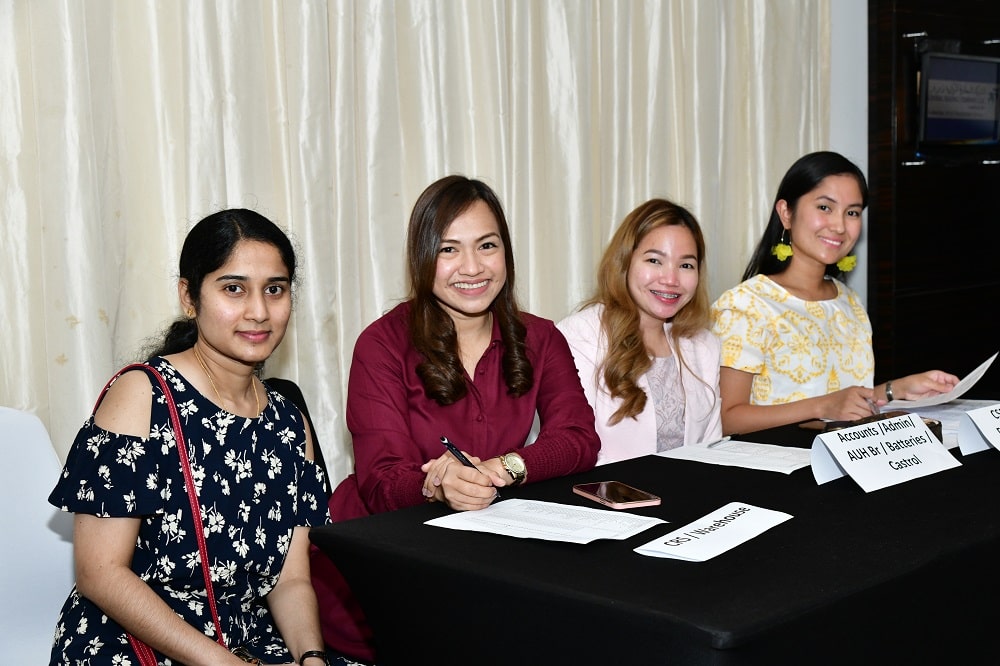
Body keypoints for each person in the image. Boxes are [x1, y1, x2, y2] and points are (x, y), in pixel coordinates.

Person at [311, 175, 601, 662]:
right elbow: (380, 480)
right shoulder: (381, 344)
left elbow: (578, 439)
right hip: (379, 566)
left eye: (487, 246)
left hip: (485, 555)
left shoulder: (541, 337)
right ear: (423, 259)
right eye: (449, 250)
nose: (472, 267)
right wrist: (436, 484)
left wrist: (507, 466)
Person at [48, 209, 332, 665]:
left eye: (274, 290)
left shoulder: (288, 422)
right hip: (133, 645)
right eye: (233, 288)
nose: (258, 311)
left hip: (247, 646)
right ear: (189, 296)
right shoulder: (141, 396)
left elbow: (291, 580)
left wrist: (311, 656)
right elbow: (100, 574)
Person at [710, 151, 959, 435]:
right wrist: (821, 406)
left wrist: (896, 390)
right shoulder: (745, 305)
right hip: (777, 466)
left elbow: (842, 402)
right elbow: (728, 418)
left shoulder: (848, 300)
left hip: (850, 458)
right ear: (786, 213)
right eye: (825, 208)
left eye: (852, 212)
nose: (840, 226)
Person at [557, 198, 722, 464]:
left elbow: (712, 451)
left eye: (686, 265)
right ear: (625, 262)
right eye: (655, 260)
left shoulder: (704, 345)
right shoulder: (578, 336)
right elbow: (570, 449)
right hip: (605, 498)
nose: (671, 279)